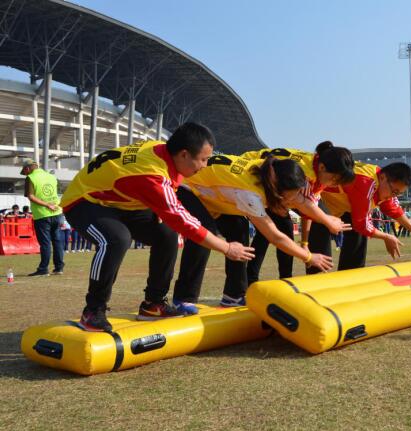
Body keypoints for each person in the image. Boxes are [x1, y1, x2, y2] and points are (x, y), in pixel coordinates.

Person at [60, 122, 255, 332]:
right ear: (184, 154)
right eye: (203, 159)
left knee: (166, 234)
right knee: (116, 239)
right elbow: (185, 222)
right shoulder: (152, 174)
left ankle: (154, 304)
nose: (205, 166)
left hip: (123, 201)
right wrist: (227, 248)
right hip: (86, 201)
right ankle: (93, 311)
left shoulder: (165, 156)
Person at [173, 154, 347, 311]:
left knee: (239, 230)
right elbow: (275, 236)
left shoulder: (270, 171)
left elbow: (301, 201)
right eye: (289, 198)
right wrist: (308, 257)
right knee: (204, 230)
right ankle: (183, 299)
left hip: (213, 195)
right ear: (276, 190)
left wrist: (326, 219)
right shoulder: (250, 195)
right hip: (188, 187)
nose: (292, 202)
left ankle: (233, 296)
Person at [240, 142, 356, 286]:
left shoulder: (318, 172)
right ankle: (267, 281)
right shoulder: (305, 175)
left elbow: (308, 211)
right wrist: (327, 221)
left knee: (274, 231)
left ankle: (269, 280)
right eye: (335, 179)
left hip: (267, 185)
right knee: (277, 232)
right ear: (322, 167)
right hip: (252, 182)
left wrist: (305, 243)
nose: (335, 184)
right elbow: (304, 205)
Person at [306, 162, 411, 273]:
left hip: (333, 204)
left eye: (397, 194)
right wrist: (387, 236)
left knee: (357, 236)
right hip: (314, 194)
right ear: (383, 177)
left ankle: (351, 278)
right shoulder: (366, 182)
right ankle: (314, 283)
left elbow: (393, 209)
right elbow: (361, 224)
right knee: (321, 230)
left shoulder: (382, 182)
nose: (392, 196)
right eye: (393, 191)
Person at [21, 159, 65, 276]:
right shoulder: (51, 176)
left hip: (42, 215)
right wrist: (51, 204)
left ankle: (43, 269)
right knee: (57, 241)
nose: (25, 173)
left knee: (45, 243)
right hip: (57, 213)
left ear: (28, 168)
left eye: (25, 171)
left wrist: (46, 204)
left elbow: (30, 196)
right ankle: (59, 268)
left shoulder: (31, 178)